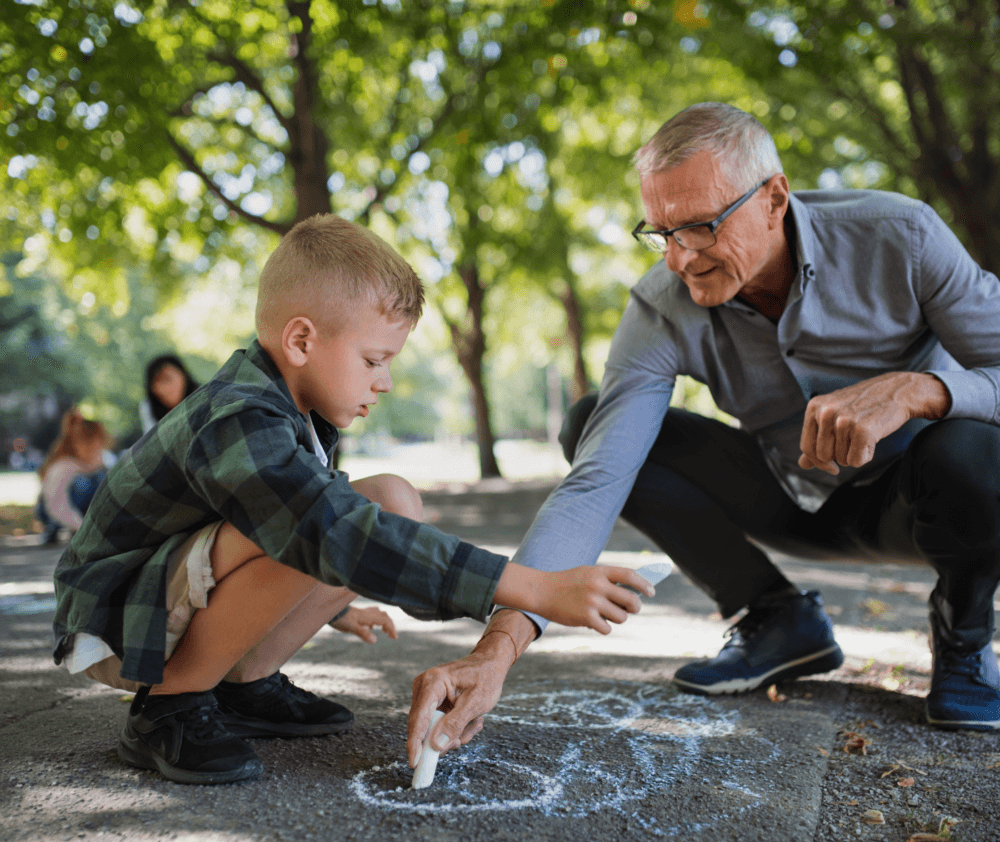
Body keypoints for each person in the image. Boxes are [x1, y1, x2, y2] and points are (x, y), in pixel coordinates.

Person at [407, 101, 1000, 766]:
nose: (680, 258)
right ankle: (776, 617)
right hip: (792, 495)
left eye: (700, 227)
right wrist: (497, 649)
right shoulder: (661, 306)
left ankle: (964, 637)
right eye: (660, 232)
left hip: (926, 497)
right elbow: (599, 477)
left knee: (977, 446)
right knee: (587, 423)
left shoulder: (902, 236)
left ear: (775, 197)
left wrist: (925, 389)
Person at [52, 213, 653, 786]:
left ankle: (242, 684)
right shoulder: (238, 417)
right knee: (326, 522)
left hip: (165, 594)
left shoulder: (295, 412)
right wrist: (532, 588)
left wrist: (335, 607)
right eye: (373, 360)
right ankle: (169, 706)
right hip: (118, 617)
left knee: (389, 498)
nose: (385, 381)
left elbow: (297, 532)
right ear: (301, 340)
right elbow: (322, 529)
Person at [34, 409, 111, 543]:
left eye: (100, 446)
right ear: (78, 444)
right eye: (93, 446)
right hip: (51, 510)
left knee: (102, 478)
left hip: (76, 512)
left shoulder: (98, 466)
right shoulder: (64, 466)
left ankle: (79, 525)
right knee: (83, 483)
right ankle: (53, 528)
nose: (98, 451)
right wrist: (83, 527)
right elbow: (55, 504)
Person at [140, 354, 200, 433]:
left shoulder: (205, 399)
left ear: (183, 376)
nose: (163, 388)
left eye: (167, 379)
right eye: (157, 382)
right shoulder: (148, 408)